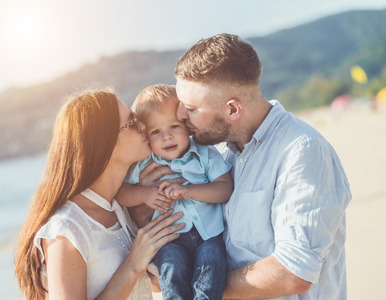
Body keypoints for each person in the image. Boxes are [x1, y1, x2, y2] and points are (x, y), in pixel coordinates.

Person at [133, 33, 352, 299]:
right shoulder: (223, 153)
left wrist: (203, 286)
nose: (179, 116)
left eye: (190, 109)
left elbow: (293, 273)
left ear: (233, 110)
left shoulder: (302, 151)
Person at [14, 88, 185, 300]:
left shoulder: (119, 208)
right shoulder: (67, 228)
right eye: (131, 122)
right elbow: (130, 268)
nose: (143, 125)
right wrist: (132, 265)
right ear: (104, 143)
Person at [117, 84, 233, 299]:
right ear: (146, 136)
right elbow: (121, 193)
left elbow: (225, 188)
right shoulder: (145, 164)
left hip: (209, 235)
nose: (166, 137)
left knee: (211, 274)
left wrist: (190, 191)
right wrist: (144, 193)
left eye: (173, 126)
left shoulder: (205, 154)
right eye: (155, 131)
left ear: (187, 125)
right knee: (172, 274)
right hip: (170, 240)